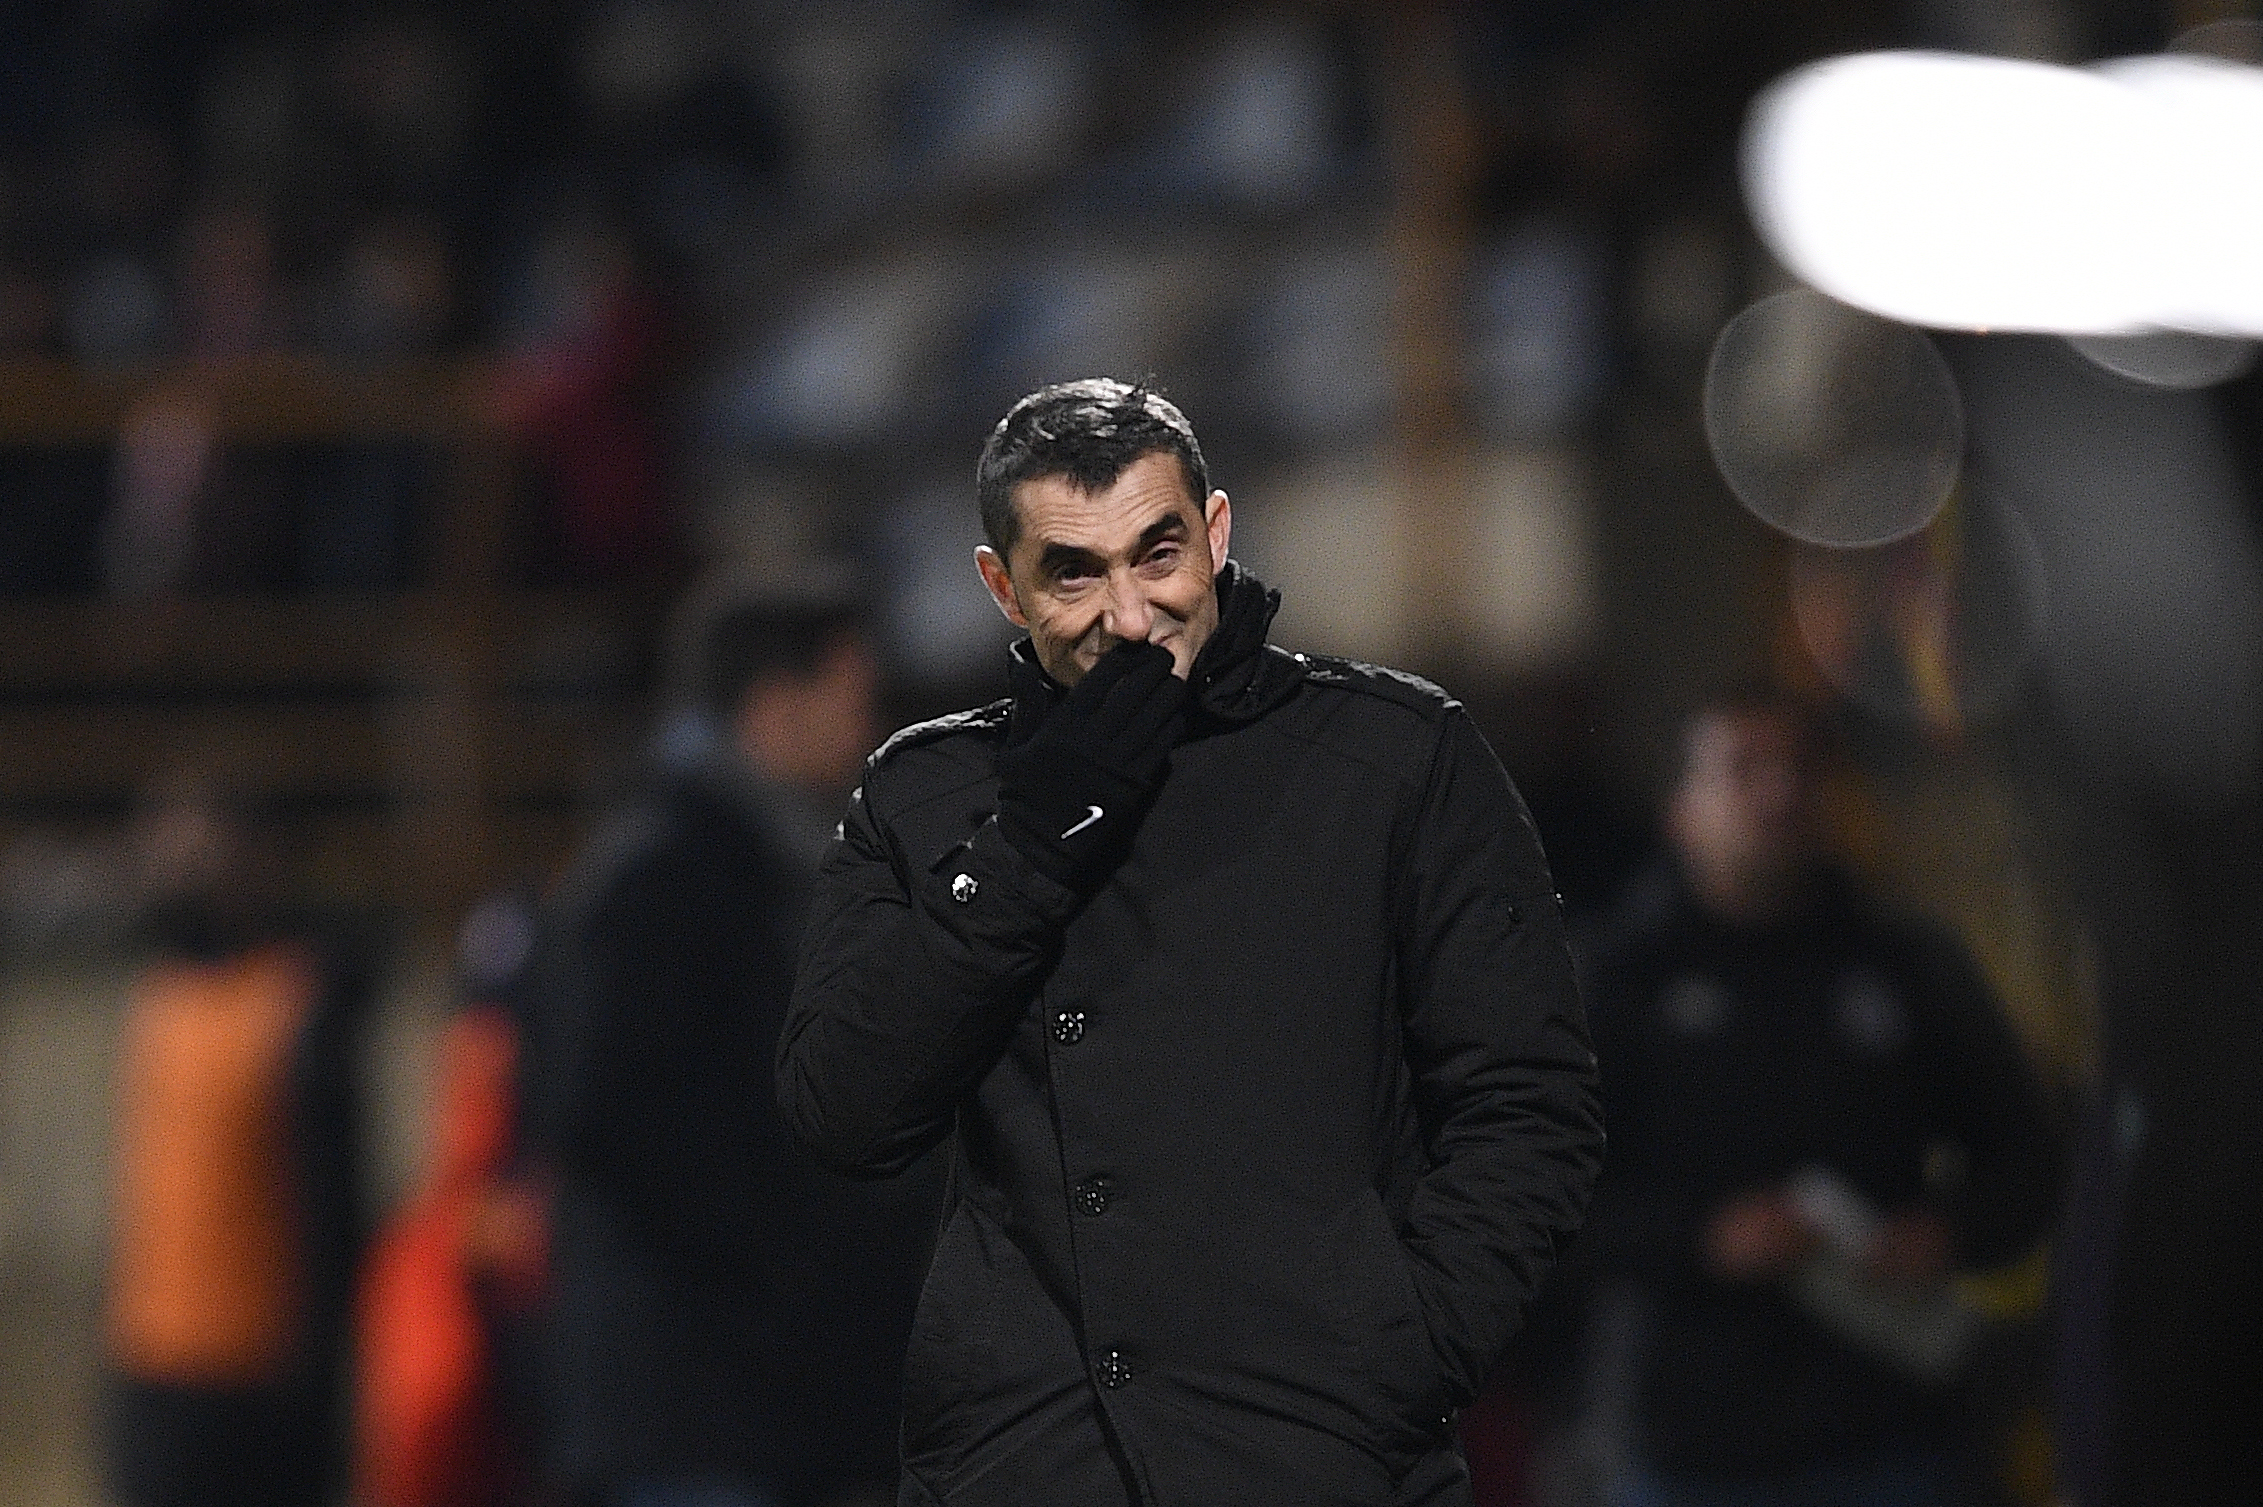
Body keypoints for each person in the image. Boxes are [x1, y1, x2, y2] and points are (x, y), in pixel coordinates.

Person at [778, 378, 1604, 1507]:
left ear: (1215, 535)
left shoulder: (1397, 759)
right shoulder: (929, 798)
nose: (1129, 613)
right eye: (1075, 571)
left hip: (1324, 1465)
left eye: (1156, 553)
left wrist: (1398, 1359)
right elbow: (845, 1109)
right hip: (1027, 1468)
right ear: (1002, 589)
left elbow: (1529, 1102)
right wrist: (1031, 840)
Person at [1569, 693, 2062, 1507]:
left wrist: (1945, 1232)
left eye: (1800, 768)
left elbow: (2029, 1157)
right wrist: (1702, 1239)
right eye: (1744, 769)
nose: (1778, 793)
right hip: (1687, 1440)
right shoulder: (1614, 979)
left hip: (1889, 1426)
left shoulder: (1906, 962)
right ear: (1682, 809)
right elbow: (1537, 1203)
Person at [523, 576, 939, 1507]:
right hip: (697, 1402)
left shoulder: (763, 858)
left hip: (766, 1401)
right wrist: (796, 1248)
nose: (868, 732)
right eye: (851, 698)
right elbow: (607, 1117)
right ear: (773, 703)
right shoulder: (664, 876)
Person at [102, 775, 371, 1507]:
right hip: (154, 1360)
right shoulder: (162, 986)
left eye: (195, 838)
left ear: (259, 854)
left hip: (261, 1374)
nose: (169, 857)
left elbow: (333, 1192)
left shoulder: (302, 990)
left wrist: (320, 1367)